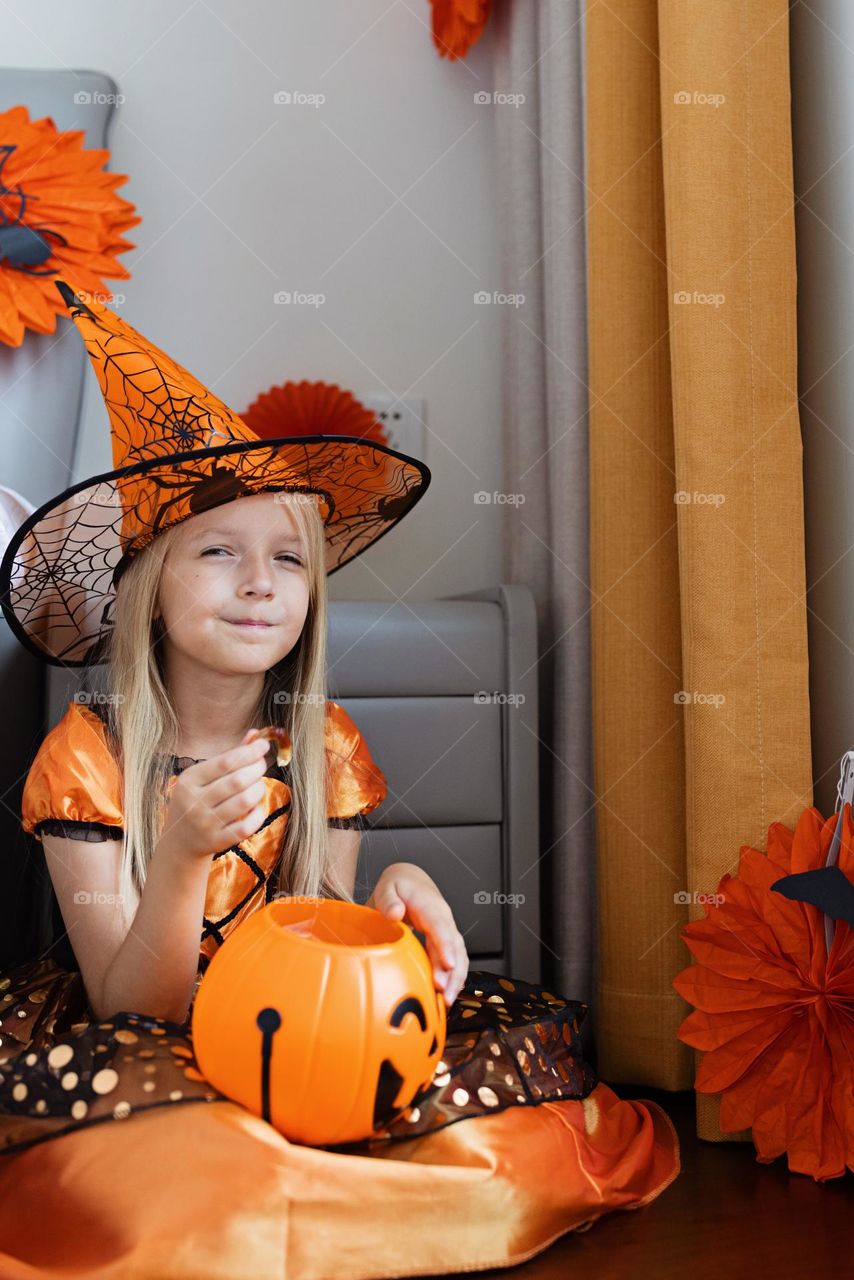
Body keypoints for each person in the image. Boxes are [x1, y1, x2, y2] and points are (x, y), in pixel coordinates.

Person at [0, 281, 679, 1280]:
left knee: (505, 1128)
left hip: (286, 1050)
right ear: (147, 585)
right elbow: (130, 1009)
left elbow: (309, 965)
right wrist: (183, 852)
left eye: (287, 557)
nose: (259, 580)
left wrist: (387, 914)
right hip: (149, 1047)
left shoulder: (323, 749)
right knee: (170, 1165)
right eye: (217, 551)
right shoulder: (85, 758)